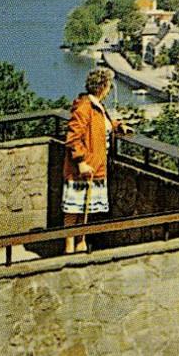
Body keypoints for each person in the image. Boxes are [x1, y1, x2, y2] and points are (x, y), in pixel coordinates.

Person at [63, 67, 128, 252]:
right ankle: (69, 246)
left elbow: (102, 125)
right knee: (73, 209)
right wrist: (81, 162)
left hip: (96, 166)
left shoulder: (97, 106)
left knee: (86, 207)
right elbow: (73, 137)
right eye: (109, 86)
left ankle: (81, 242)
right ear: (103, 87)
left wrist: (118, 126)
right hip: (82, 168)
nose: (109, 89)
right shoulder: (84, 107)